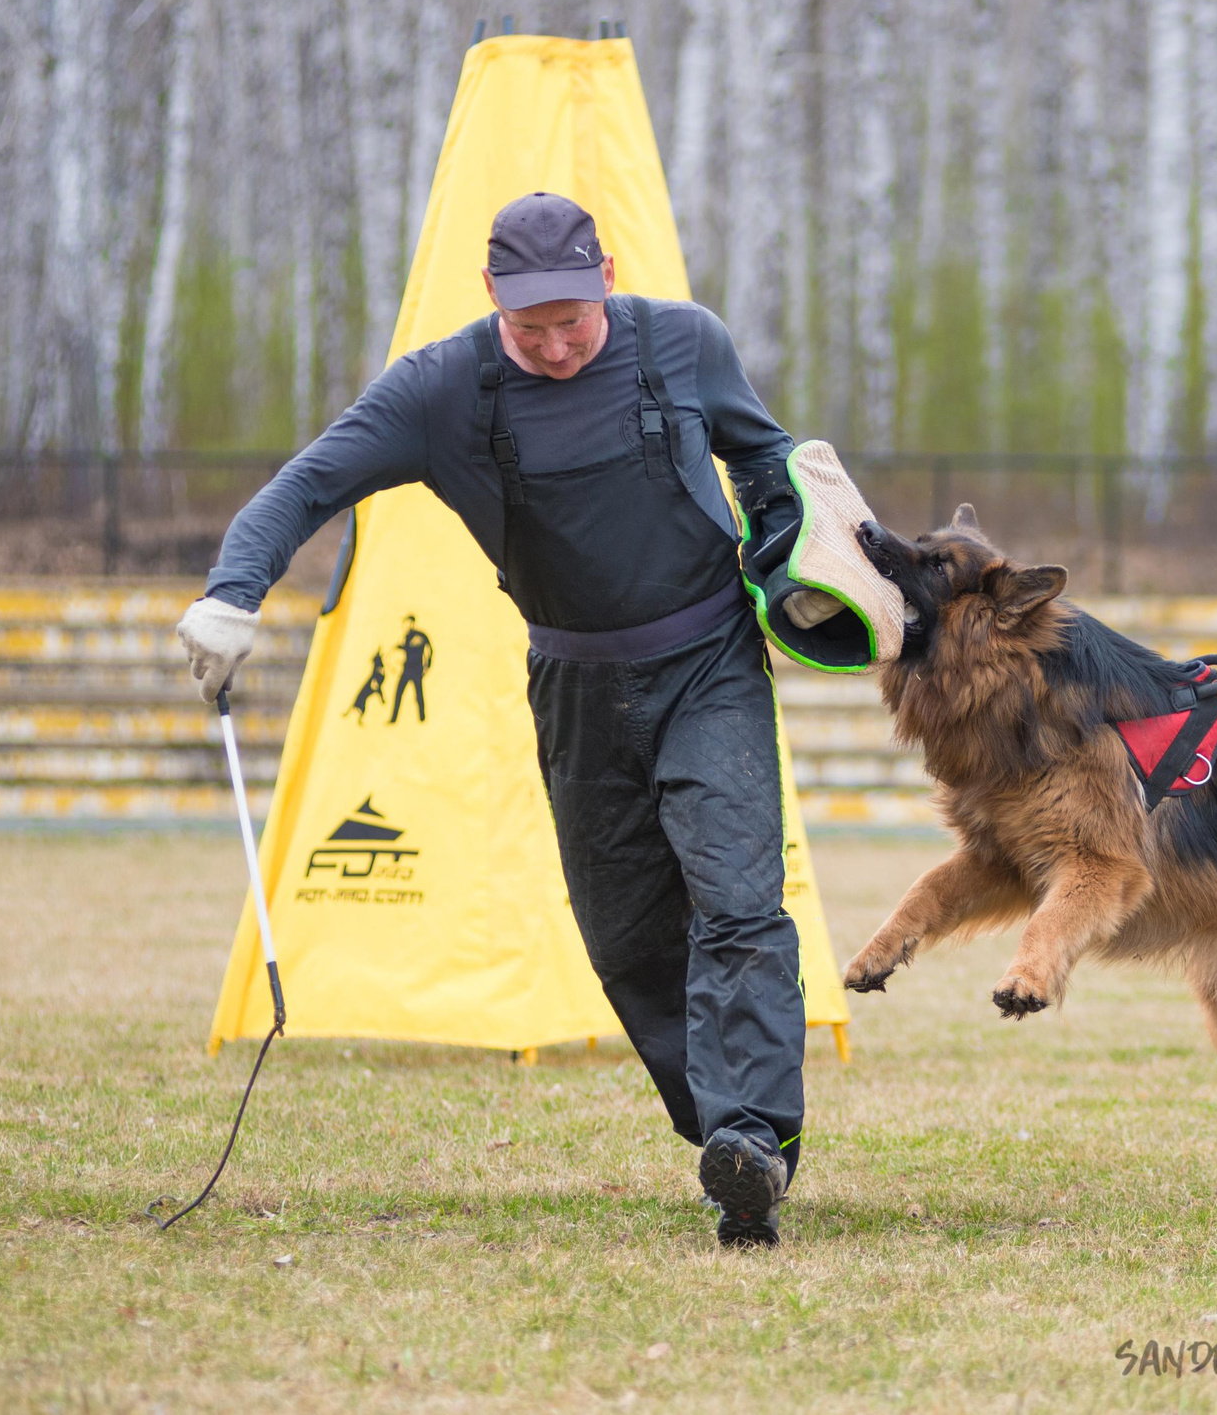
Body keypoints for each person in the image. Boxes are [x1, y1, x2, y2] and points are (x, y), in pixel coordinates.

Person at [172, 192, 887, 1249]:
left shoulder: (684, 343)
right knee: (629, 937)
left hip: (708, 662)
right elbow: (309, 482)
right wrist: (233, 590)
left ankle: (753, 1139)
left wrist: (798, 554)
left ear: (607, 276)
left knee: (737, 897)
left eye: (572, 319)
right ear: (491, 303)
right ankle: (724, 1137)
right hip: (577, 683)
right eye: (528, 327)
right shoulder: (442, 388)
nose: (553, 346)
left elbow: (766, 457)